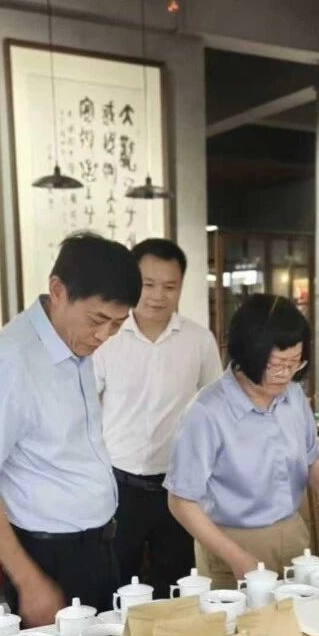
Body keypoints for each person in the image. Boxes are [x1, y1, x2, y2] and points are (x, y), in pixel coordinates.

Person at [0, 233, 141, 626]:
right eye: (97, 320)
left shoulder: (74, 345)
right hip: (50, 557)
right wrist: (29, 581)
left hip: (98, 545)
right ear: (57, 290)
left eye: (116, 325)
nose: (103, 336)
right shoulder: (11, 362)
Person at [165, 295, 319, 588]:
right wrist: (234, 556)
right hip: (230, 542)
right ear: (248, 353)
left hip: (293, 534)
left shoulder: (293, 397)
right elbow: (181, 501)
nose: (285, 374)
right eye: (276, 364)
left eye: (294, 363)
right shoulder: (207, 412)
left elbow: (312, 456)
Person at [93, 238, 223, 594]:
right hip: (118, 484)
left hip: (179, 487)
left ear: (181, 287)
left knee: (178, 585)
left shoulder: (198, 340)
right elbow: (86, 406)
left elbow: (217, 408)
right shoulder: (107, 337)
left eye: (169, 286)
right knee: (116, 583)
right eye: (148, 284)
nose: (157, 296)